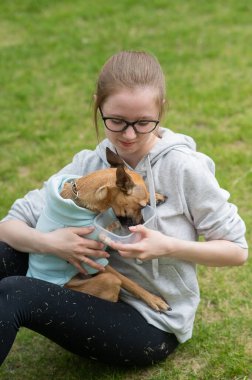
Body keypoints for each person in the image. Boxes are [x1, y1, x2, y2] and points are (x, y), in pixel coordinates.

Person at [0, 51, 248, 367]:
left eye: (143, 122)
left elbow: (237, 250)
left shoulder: (184, 169)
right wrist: (52, 243)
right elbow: (8, 226)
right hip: (86, 290)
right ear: (98, 107)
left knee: (15, 292)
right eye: (116, 121)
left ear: (162, 112)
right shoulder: (88, 166)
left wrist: (168, 247)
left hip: (148, 322)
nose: (128, 135)